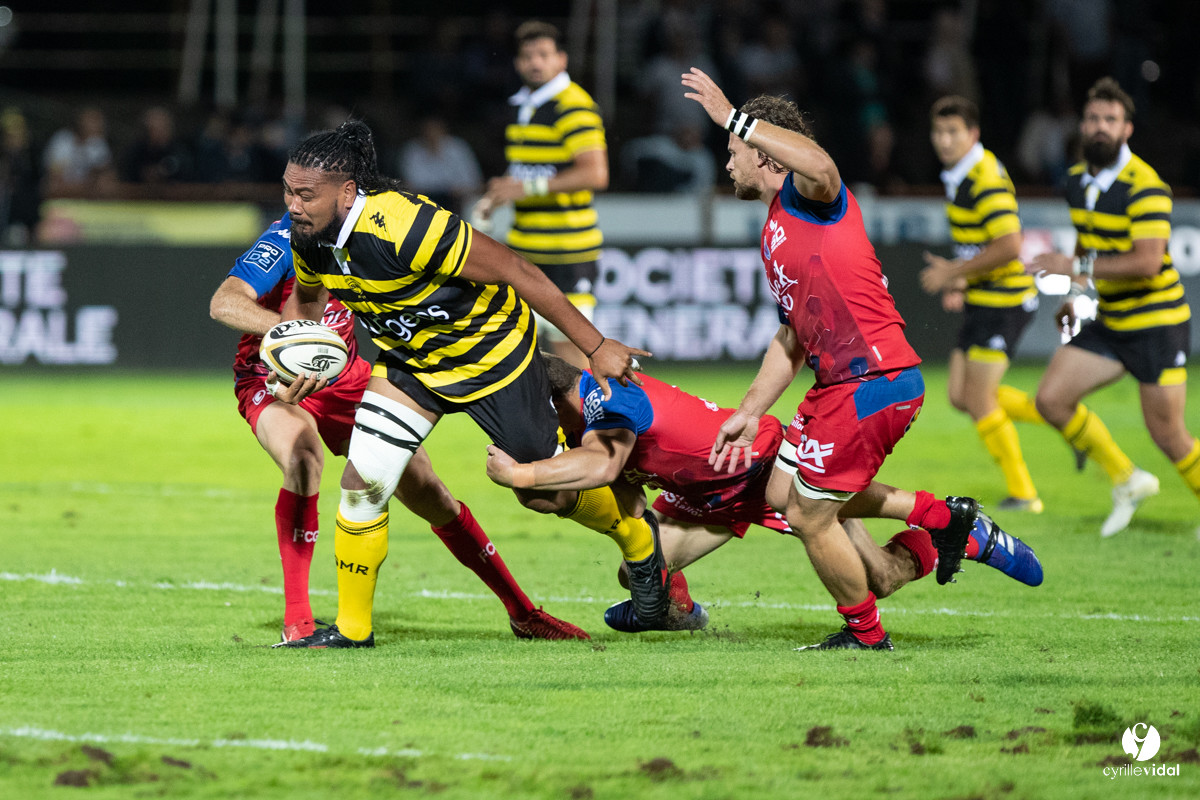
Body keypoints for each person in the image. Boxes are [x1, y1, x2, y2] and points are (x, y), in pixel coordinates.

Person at [275, 119, 663, 649]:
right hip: (412, 366)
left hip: (494, 357)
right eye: (288, 191)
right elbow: (309, 301)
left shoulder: (406, 225)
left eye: (305, 195)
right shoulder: (311, 239)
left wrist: (596, 347)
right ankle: (352, 630)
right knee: (363, 483)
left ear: (347, 192)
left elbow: (517, 270)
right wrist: (307, 355)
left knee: (546, 494)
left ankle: (639, 539)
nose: (293, 205)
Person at [681, 68, 982, 652]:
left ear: (768, 154)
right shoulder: (775, 230)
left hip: (874, 380)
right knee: (781, 495)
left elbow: (821, 166)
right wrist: (749, 408)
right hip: (836, 386)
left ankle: (867, 637)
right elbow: (791, 338)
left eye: (735, 153)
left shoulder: (810, 195)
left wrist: (735, 118)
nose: (728, 164)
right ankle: (940, 529)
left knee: (810, 515)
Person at [209, 217, 589, 645]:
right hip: (274, 381)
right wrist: (290, 333)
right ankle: (298, 619)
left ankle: (523, 612)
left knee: (431, 493)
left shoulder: (377, 236)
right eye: (294, 192)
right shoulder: (285, 240)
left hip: (347, 379)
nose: (298, 202)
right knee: (303, 456)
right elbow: (224, 303)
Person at [485, 355, 1043, 633]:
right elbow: (629, 500)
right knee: (639, 569)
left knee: (880, 577)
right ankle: (682, 615)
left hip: (760, 465)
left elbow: (601, 464)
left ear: (554, 399)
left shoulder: (606, 398)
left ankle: (957, 527)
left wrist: (525, 476)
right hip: (709, 495)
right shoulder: (589, 414)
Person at [1028, 77, 1198, 537]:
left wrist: (1073, 265)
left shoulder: (1146, 186)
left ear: (1127, 130)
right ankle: (1127, 479)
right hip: (1111, 320)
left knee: (1168, 435)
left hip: (1157, 325)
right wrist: (1073, 294)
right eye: (1093, 119)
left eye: (1110, 119)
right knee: (1051, 399)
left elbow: (1145, 262)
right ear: (1082, 126)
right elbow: (1089, 238)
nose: (1100, 127)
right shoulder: (1077, 180)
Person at [920, 95, 1045, 513]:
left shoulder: (984, 176)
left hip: (1006, 300)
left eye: (953, 131)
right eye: (938, 132)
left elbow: (1010, 245)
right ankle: (1054, 413)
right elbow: (978, 241)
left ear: (972, 134)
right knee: (961, 395)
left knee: (978, 397)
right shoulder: (959, 174)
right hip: (984, 297)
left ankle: (1025, 494)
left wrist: (954, 273)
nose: (944, 140)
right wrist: (964, 279)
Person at [474, 21, 609, 370]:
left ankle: (596, 423)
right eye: (528, 55)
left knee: (574, 351)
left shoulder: (573, 106)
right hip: (525, 249)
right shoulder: (524, 105)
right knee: (527, 352)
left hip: (567, 251)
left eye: (544, 55)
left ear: (561, 59)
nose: (536, 62)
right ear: (518, 63)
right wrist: (497, 194)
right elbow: (528, 171)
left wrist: (525, 188)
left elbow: (596, 173)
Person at [397, 115, 483, 215]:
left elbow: (476, 185)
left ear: (444, 129)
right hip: (424, 206)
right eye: (428, 129)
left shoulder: (459, 148)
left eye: (435, 128)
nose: (431, 133)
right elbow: (410, 186)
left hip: (457, 204)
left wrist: (454, 192)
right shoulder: (411, 151)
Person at [42, 106, 117, 196]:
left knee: (106, 183)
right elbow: (55, 175)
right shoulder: (62, 140)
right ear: (80, 121)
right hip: (65, 185)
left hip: (86, 187)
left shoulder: (98, 143)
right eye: (94, 120)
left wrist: (99, 174)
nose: (100, 124)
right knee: (52, 185)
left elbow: (107, 173)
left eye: (100, 120)